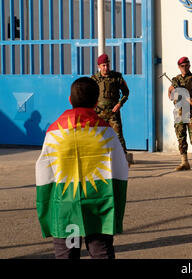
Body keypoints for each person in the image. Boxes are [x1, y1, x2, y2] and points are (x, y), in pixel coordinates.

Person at [35, 77, 129, 259]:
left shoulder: (54, 132)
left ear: (70, 100)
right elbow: (120, 171)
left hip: (65, 208)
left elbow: (44, 174)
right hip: (99, 206)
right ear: (96, 102)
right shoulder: (106, 131)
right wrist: (116, 209)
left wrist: (46, 211)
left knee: (67, 254)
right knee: (101, 252)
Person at [91, 53, 133, 167]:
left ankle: (124, 160)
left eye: (107, 65)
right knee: (98, 137)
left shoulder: (117, 77)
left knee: (119, 136)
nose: (106, 68)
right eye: (103, 65)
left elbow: (126, 93)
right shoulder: (94, 79)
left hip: (113, 114)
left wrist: (120, 104)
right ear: (99, 66)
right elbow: (89, 95)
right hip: (99, 114)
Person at [168, 57, 192, 172]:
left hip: (191, 112)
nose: (185, 68)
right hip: (179, 112)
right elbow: (170, 93)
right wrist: (173, 93)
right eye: (182, 66)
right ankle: (184, 162)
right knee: (181, 138)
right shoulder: (176, 80)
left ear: (189, 65)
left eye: (186, 65)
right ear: (179, 67)